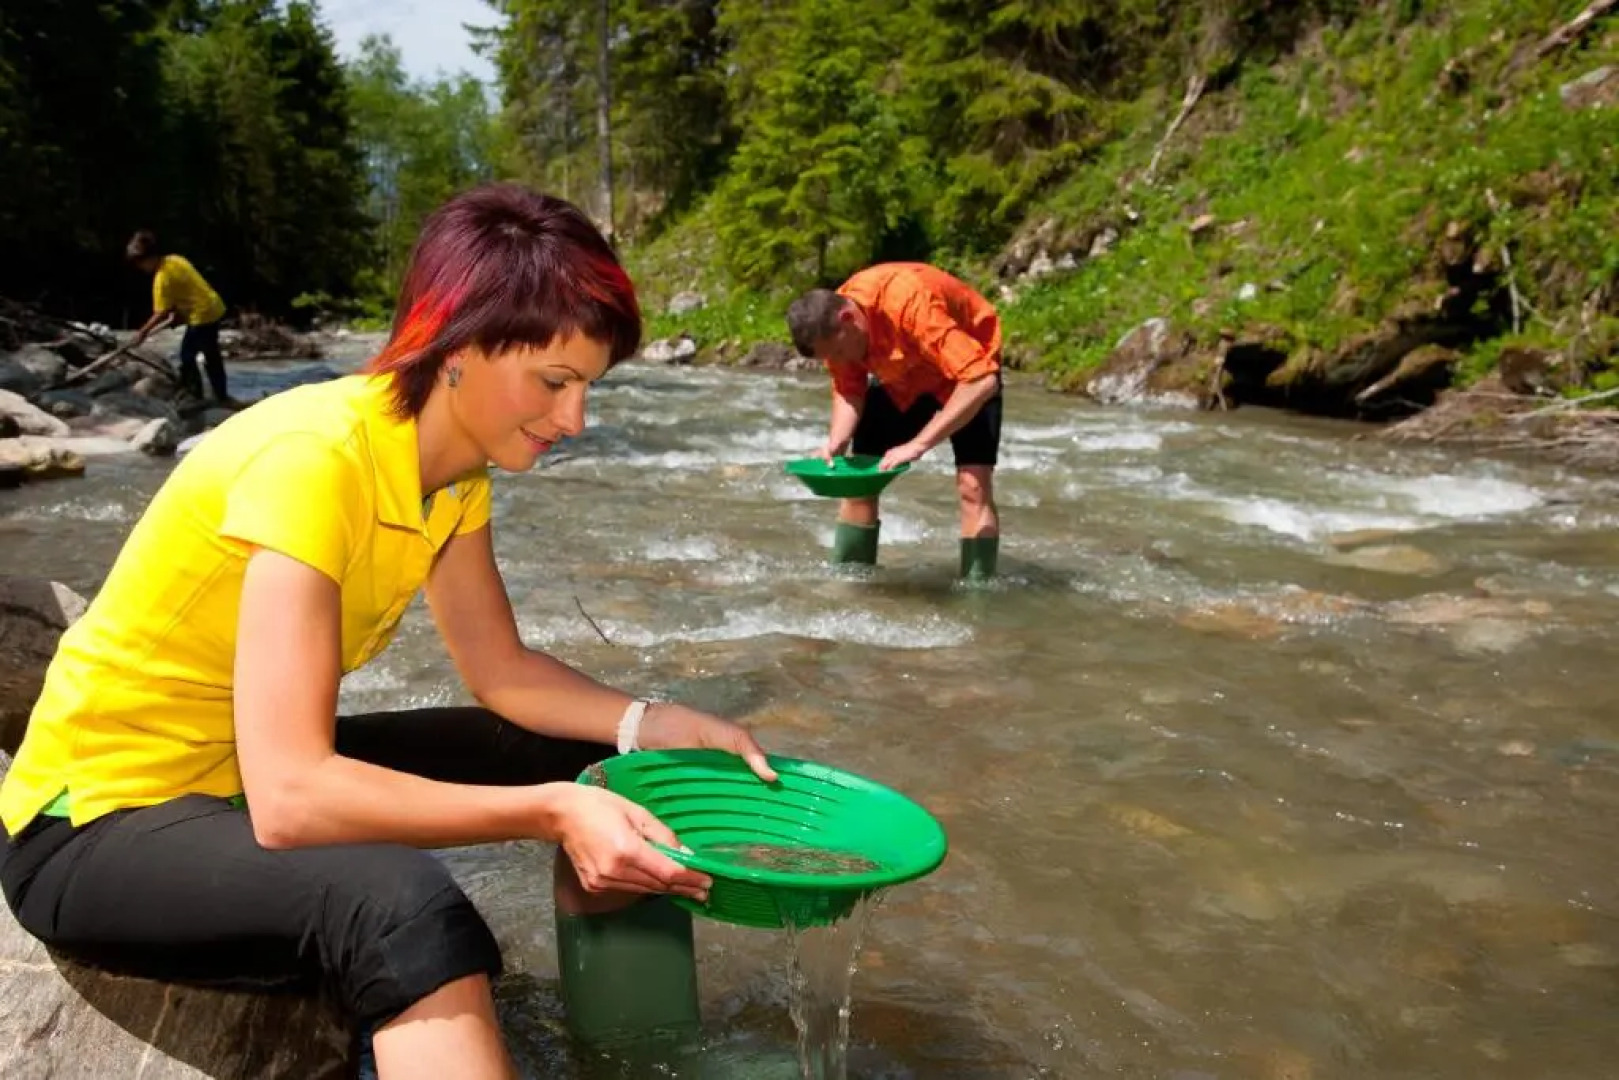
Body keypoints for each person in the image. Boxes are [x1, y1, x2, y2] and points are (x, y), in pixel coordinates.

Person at [1, 184, 777, 1080]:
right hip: (99, 825)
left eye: (587, 387)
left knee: (573, 754)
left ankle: (632, 1048)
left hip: (231, 782)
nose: (575, 421)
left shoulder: (452, 477)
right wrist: (548, 814)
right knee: (399, 902)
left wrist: (652, 725)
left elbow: (503, 673)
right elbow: (292, 801)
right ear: (455, 348)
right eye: (555, 383)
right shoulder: (314, 459)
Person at [786, 262, 1005, 579]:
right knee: (859, 478)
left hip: (967, 374)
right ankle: (851, 582)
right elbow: (849, 389)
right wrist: (836, 442)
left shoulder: (911, 303)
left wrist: (917, 445)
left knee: (973, 486)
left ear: (847, 319)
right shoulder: (837, 329)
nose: (839, 362)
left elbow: (981, 381)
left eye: (837, 352)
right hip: (900, 377)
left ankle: (979, 593)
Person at [125, 229, 237, 407]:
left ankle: (195, 396)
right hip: (213, 306)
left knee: (187, 356)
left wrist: (142, 333)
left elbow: (160, 313)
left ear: (149, 259)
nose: (141, 268)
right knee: (211, 355)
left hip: (201, 315)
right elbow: (187, 291)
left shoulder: (161, 279)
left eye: (141, 264)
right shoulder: (175, 260)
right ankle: (221, 395)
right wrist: (178, 316)